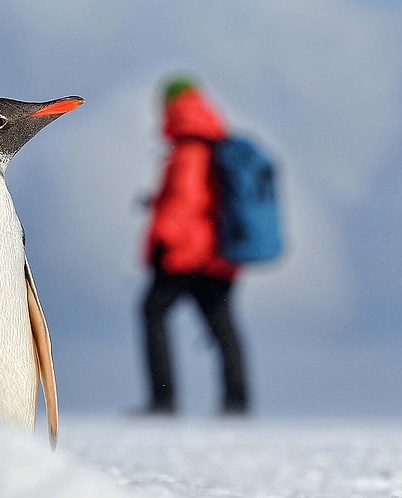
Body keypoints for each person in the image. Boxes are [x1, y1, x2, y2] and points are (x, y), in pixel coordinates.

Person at [138, 77, 249, 416]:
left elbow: (185, 202)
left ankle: (163, 400)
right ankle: (237, 402)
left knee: (152, 313)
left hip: (186, 253)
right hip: (218, 255)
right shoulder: (214, 138)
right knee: (222, 326)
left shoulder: (189, 147)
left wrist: (164, 240)